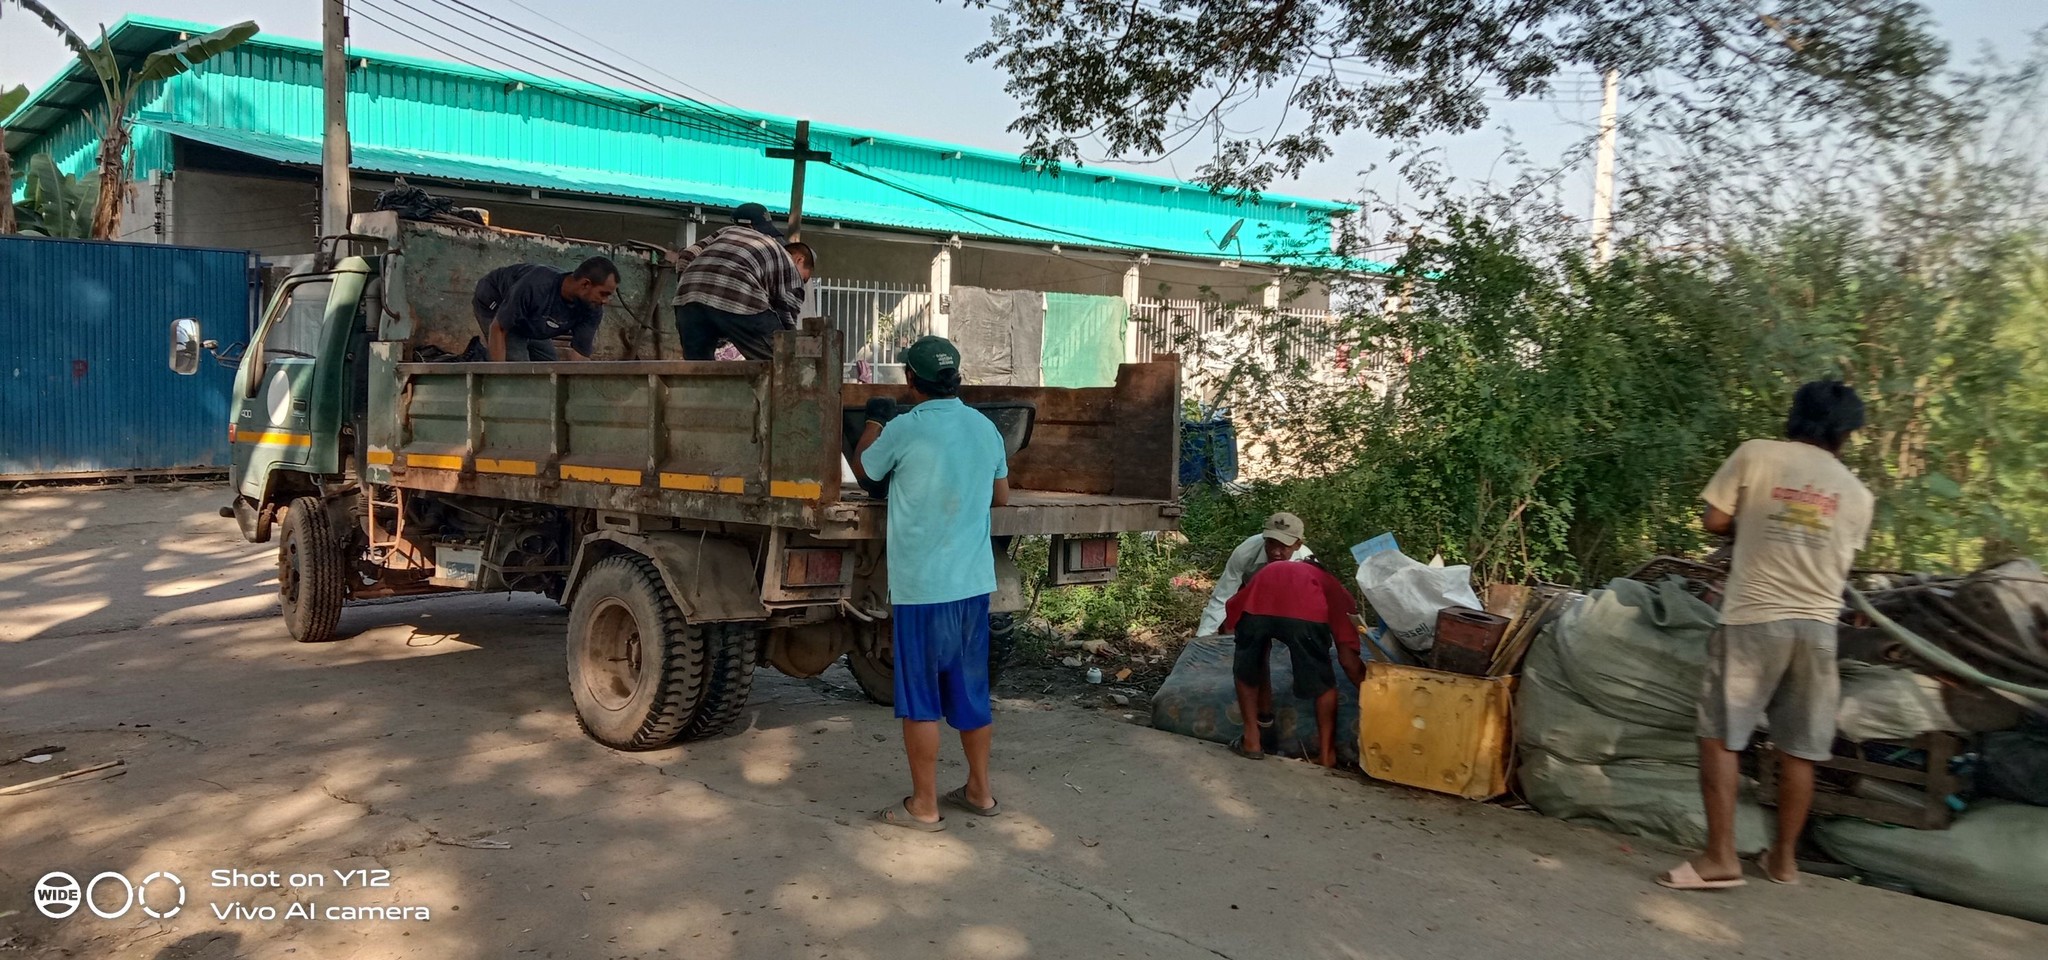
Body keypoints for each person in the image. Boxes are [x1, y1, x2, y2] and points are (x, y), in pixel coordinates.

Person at [1659, 380, 1873, 891]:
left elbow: (1715, 520)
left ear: (1795, 416)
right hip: (1819, 630)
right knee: (1799, 749)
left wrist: (1754, 524)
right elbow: (1834, 556)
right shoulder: (1858, 495)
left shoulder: (1756, 454)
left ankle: (1720, 858)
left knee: (1720, 737)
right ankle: (1783, 861)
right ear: (1846, 433)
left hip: (1754, 618)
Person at [850, 336, 1009, 831]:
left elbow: (865, 470)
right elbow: (1001, 496)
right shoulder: (984, 427)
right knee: (971, 694)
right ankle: (980, 792)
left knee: (921, 700)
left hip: (922, 589)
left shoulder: (905, 428)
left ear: (910, 380)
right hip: (972, 585)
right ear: (956, 378)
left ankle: (923, 805)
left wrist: (875, 420)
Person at [1220, 545, 1366, 766]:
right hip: (1303, 617)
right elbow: (1348, 661)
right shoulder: (1336, 590)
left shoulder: (1274, 569)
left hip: (1255, 609)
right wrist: (1371, 693)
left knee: (1247, 666)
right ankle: (1327, 755)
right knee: (1323, 682)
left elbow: (1232, 614)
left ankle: (1252, 740)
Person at [673, 202, 813, 360]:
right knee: (781, 360)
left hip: (688, 301)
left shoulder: (724, 232)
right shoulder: (778, 251)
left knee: (699, 367)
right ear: (799, 260)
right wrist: (788, 345)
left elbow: (686, 255)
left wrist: (690, 287)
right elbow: (787, 313)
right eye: (805, 278)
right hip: (738, 296)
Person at [1198, 513, 1314, 636]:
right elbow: (1223, 597)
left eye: (1283, 547)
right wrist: (1203, 635)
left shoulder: (1307, 565)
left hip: (1287, 602)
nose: (1275, 552)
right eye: (1271, 543)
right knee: (1232, 624)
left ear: (1297, 545)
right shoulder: (1245, 552)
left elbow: (1310, 608)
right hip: (1248, 592)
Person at [484, 256, 619, 361]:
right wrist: (499, 378)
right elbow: (498, 328)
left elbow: (580, 357)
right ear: (585, 284)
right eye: (603, 294)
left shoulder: (592, 307)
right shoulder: (536, 287)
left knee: (550, 367)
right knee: (517, 368)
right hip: (495, 301)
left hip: (530, 318)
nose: (605, 301)